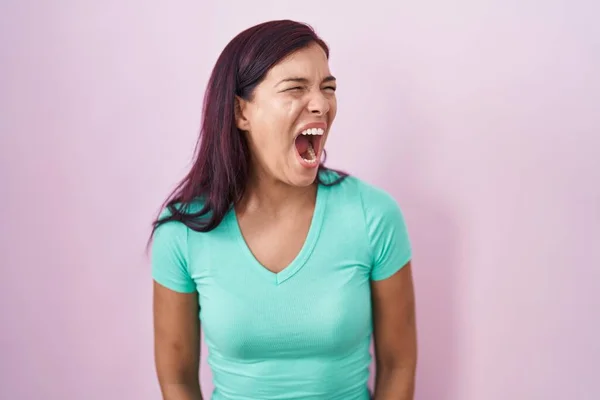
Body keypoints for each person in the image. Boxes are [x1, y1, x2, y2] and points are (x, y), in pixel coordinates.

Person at [150, 19, 417, 400]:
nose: (321, 104)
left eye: (329, 88)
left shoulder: (373, 215)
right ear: (241, 112)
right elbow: (176, 378)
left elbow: (399, 364)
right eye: (295, 89)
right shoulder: (182, 231)